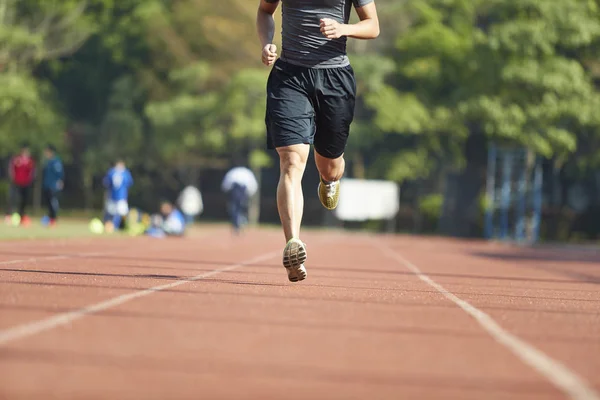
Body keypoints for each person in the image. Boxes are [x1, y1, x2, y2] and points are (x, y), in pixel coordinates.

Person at [257, 0, 379, 281]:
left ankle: (329, 180)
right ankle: (293, 245)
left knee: (329, 163)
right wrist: (266, 43)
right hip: (289, 76)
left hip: (334, 77)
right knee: (291, 160)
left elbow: (373, 26)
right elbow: (265, 11)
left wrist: (343, 28)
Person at [221, 166, 258, 235]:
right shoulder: (247, 172)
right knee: (240, 208)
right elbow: (253, 185)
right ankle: (239, 224)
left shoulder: (233, 172)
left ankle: (238, 224)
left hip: (236, 190)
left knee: (235, 209)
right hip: (242, 191)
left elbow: (226, 184)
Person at [5, 144, 35, 226]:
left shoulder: (30, 161)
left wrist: (30, 180)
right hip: (16, 183)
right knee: (13, 199)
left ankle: (22, 216)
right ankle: (9, 215)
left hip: (26, 184)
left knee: (24, 201)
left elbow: (32, 172)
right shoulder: (16, 159)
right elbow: (12, 169)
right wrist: (13, 179)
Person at [102, 160, 134, 231]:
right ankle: (117, 226)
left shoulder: (111, 172)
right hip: (121, 196)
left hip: (112, 196)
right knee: (121, 212)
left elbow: (106, 183)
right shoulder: (125, 173)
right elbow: (130, 183)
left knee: (111, 212)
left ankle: (110, 225)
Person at [41, 144, 64, 226]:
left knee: (53, 202)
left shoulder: (56, 161)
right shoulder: (48, 162)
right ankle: (50, 217)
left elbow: (60, 174)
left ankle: (53, 218)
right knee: (48, 202)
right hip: (47, 185)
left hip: (53, 186)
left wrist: (60, 182)